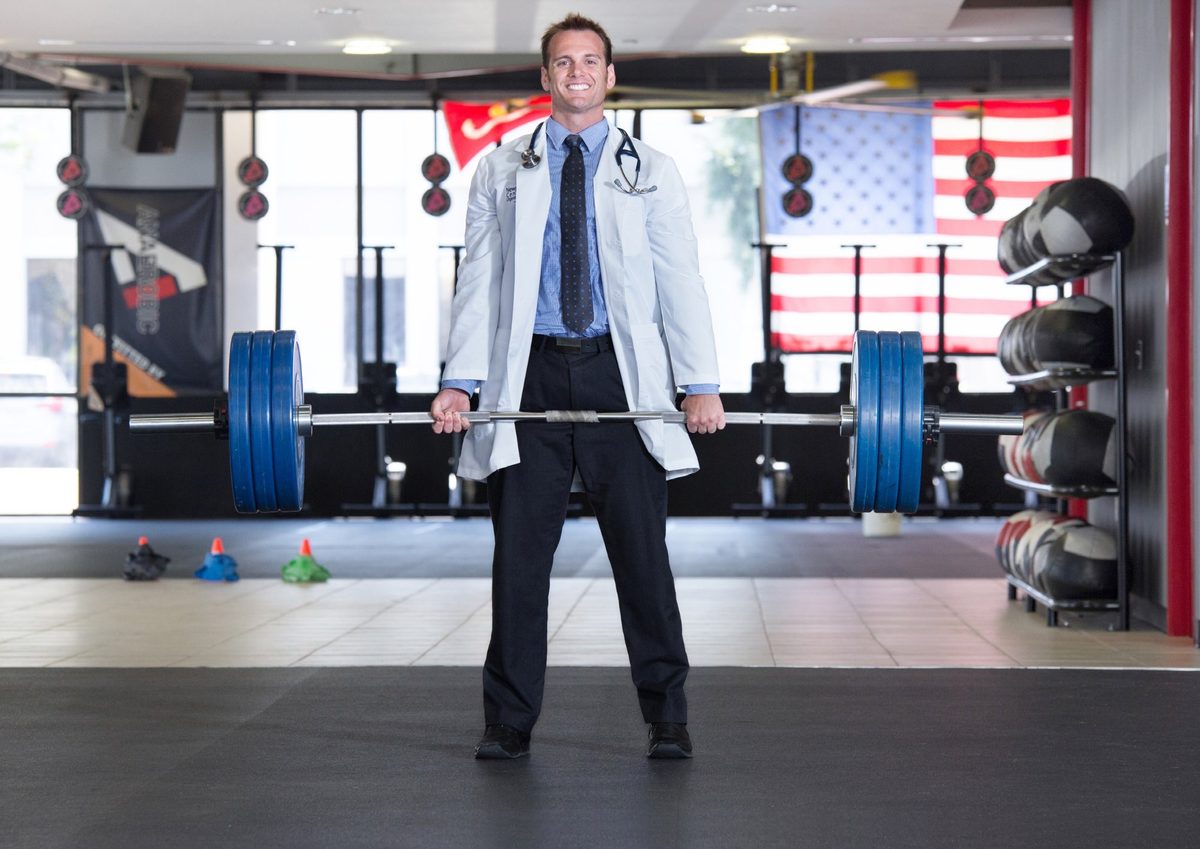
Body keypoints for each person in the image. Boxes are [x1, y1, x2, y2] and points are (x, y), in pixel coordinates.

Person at [430, 12, 725, 761]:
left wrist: (700, 382)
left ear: (610, 75)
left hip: (620, 374)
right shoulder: (500, 168)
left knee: (642, 559)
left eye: (590, 61)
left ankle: (668, 715)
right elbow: (479, 283)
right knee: (519, 562)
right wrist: (461, 383)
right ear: (546, 77)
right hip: (527, 374)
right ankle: (507, 720)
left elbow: (679, 279)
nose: (577, 73)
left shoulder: (650, 169)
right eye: (564, 62)